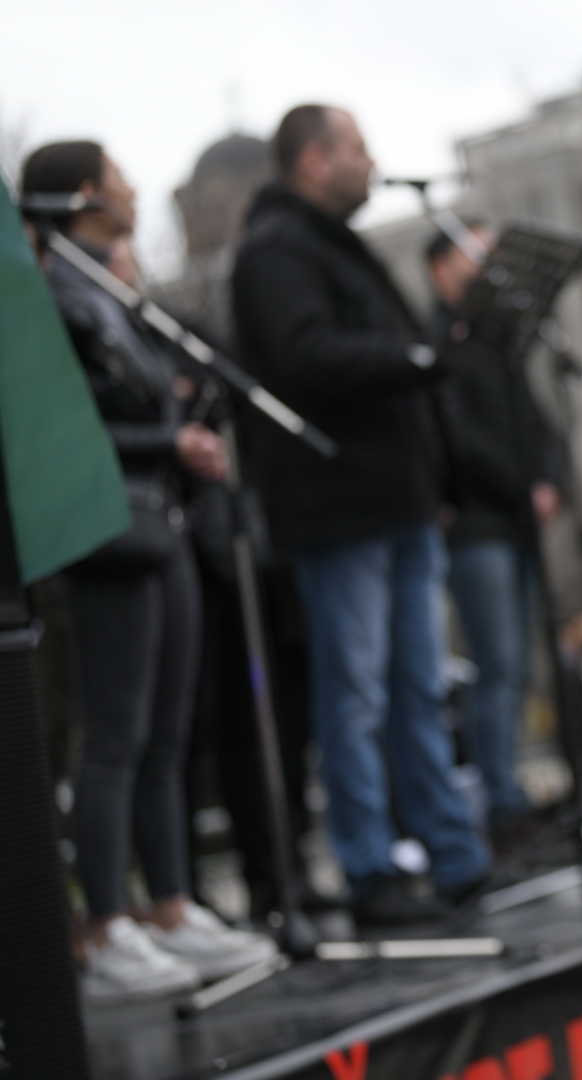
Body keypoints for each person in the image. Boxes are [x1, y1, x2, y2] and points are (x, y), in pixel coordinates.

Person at [23, 141, 277, 998]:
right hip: (110, 524)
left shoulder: (107, 293)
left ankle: (171, 908)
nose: (133, 187)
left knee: (166, 736)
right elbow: (72, 429)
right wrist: (169, 437)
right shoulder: (57, 293)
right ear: (87, 193)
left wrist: (182, 418)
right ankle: (108, 926)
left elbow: (150, 389)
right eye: (119, 175)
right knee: (116, 735)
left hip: (158, 519)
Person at [232, 106, 488, 924]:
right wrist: (414, 359)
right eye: (357, 149)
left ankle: (454, 857)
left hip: (400, 503)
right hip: (340, 510)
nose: (372, 163)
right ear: (314, 161)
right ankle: (369, 867)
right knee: (356, 695)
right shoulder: (276, 251)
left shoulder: (337, 247)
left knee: (419, 687)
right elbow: (304, 357)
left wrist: (436, 475)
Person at [423, 223, 563, 848]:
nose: (485, 266)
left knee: (522, 660)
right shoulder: (438, 346)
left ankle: (518, 792)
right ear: (441, 269)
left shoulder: (502, 342)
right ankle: (500, 803)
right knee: (497, 663)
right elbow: (458, 438)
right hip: (479, 525)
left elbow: (533, 420)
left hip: (517, 518)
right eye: (471, 254)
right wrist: (518, 485)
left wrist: (549, 478)